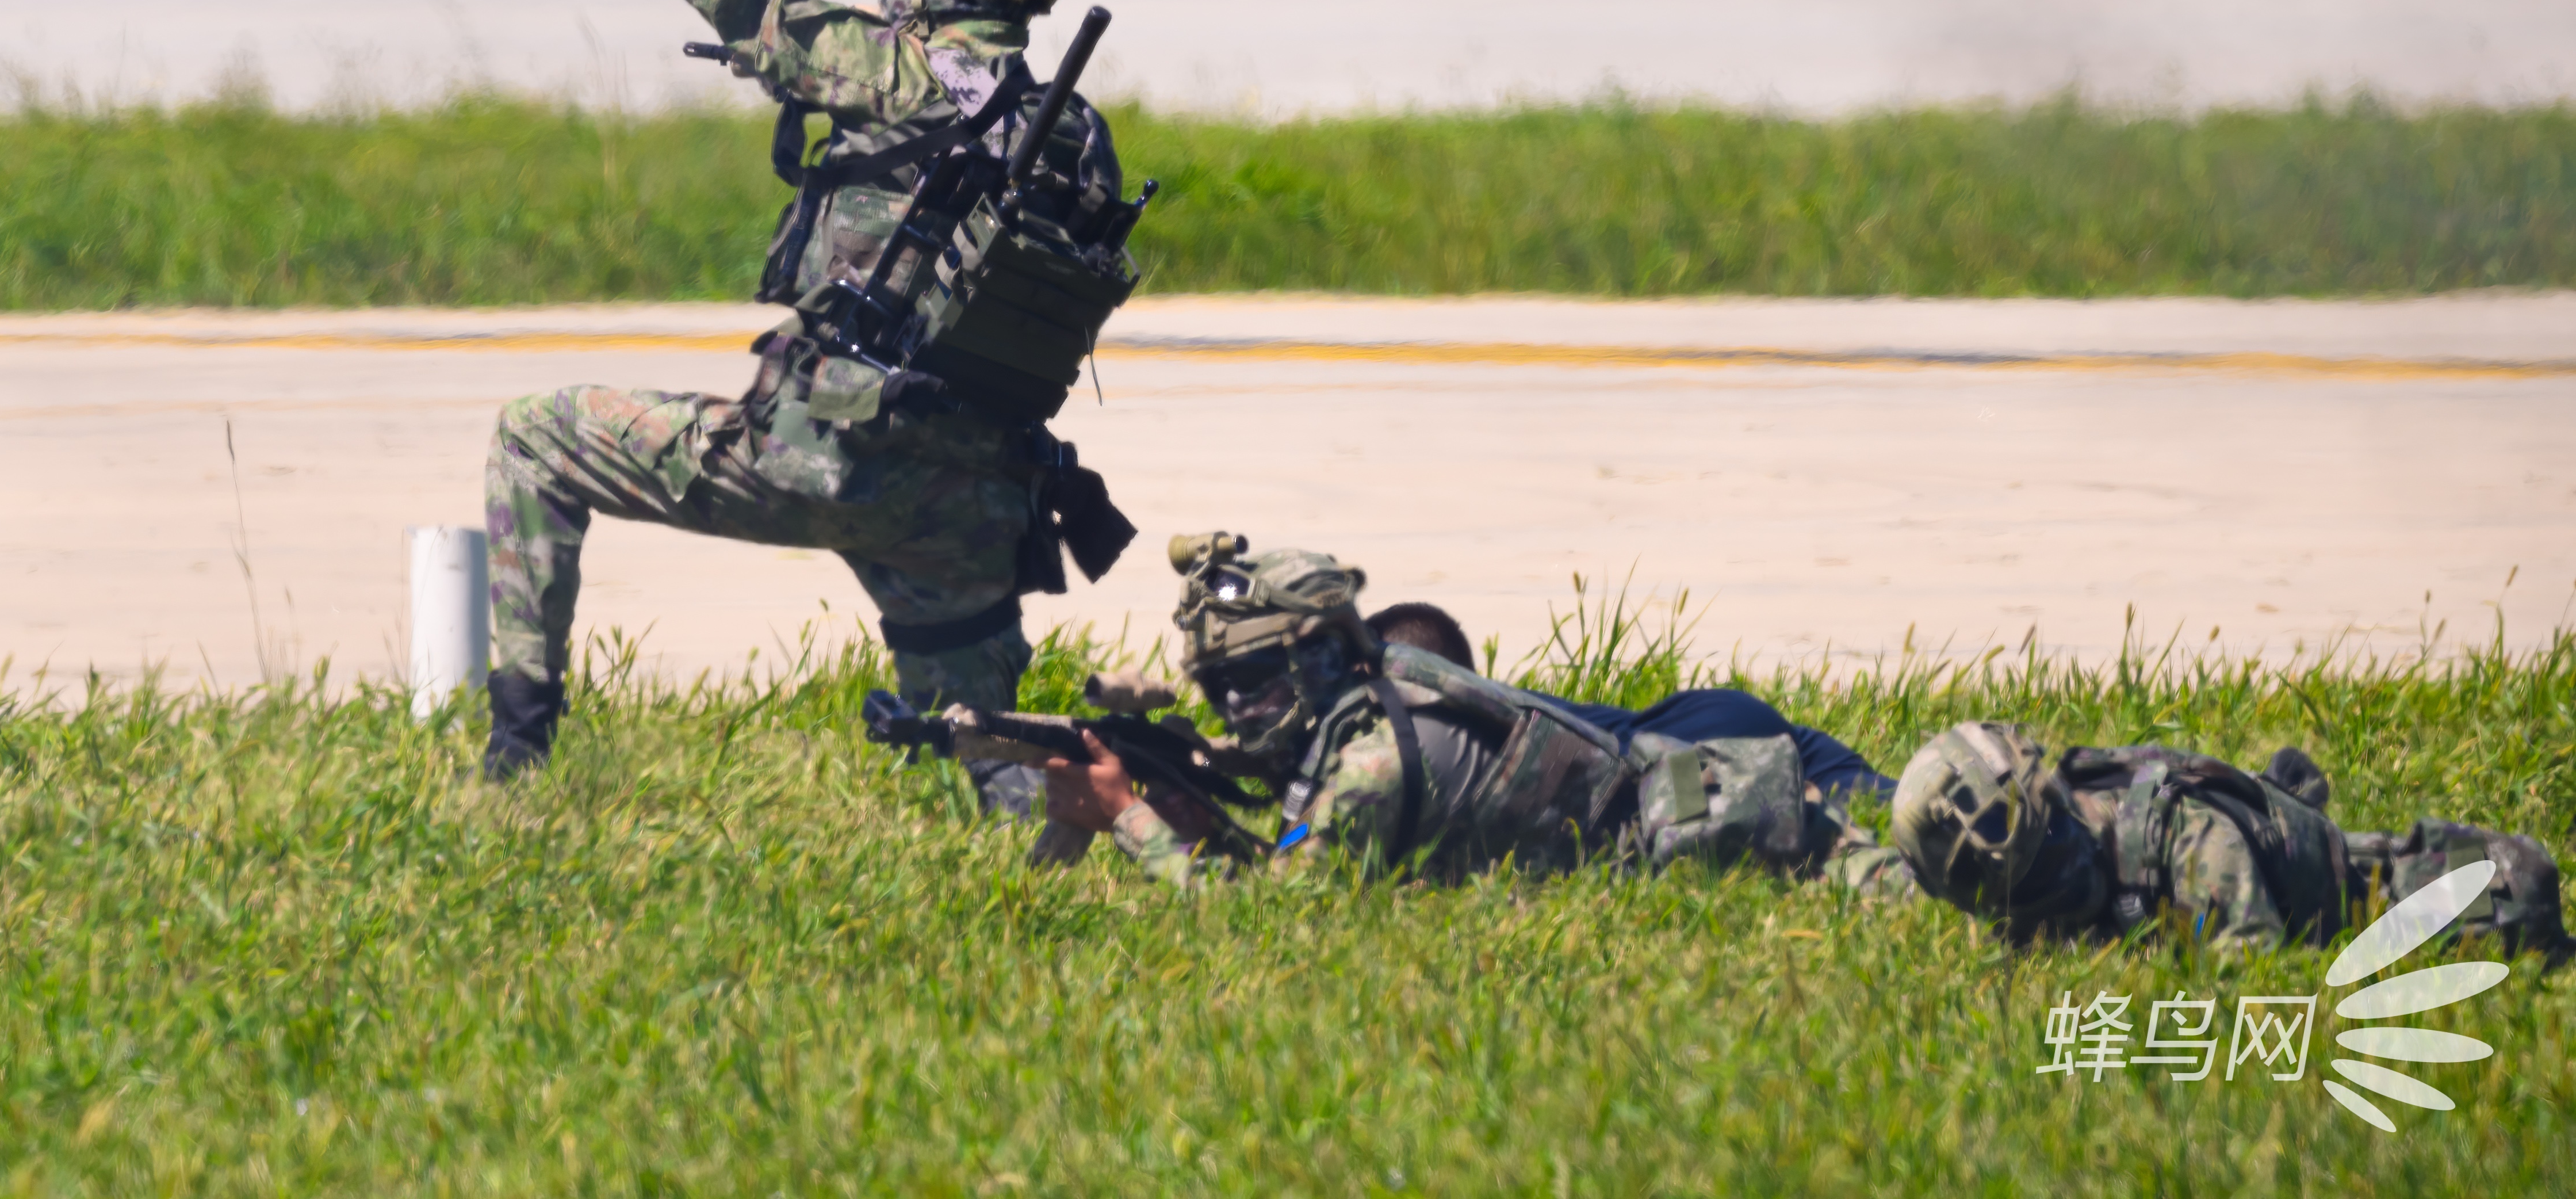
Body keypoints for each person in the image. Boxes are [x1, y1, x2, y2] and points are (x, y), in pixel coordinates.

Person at [476, 0, 1140, 789]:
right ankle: (1091, 853)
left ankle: (515, 762)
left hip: (826, 457)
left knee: (532, 438)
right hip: (972, 505)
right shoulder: (1074, 132)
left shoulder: (897, 78)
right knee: (986, 764)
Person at [1027, 537, 1911, 899]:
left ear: (1324, 652)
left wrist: (1127, 815)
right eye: (1217, 685)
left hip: (1721, 817)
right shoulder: (1377, 692)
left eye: (1251, 677)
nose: (1233, 706)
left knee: (1959, 853)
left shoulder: (1373, 765)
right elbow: (1290, 838)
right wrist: (1197, 786)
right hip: (1689, 770)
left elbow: (1260, 910)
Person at [1884, 720, 2567, 956]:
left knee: (2521, 890)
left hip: (2365, 899)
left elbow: (2254, 980)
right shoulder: (1987, 874)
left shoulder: (2190, 847)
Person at [1357, 599, 1895, 805]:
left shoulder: (1439, 746)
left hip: (1686, 753)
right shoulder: (1496, 705)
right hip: (1709, 711)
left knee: (1837, 810)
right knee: (1894, 796)